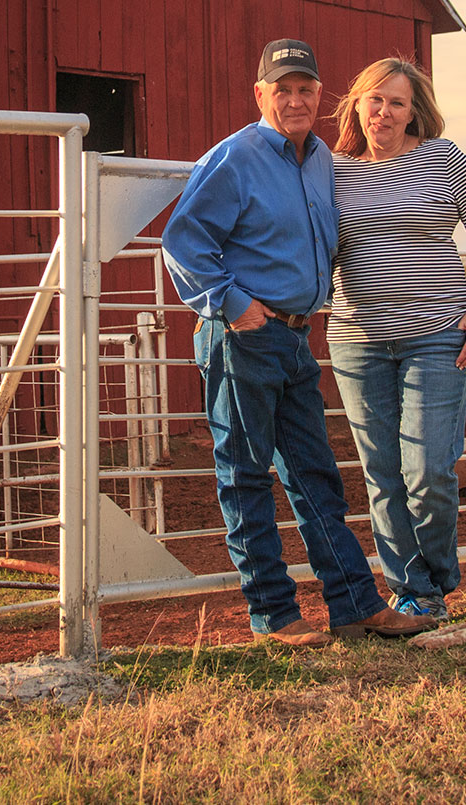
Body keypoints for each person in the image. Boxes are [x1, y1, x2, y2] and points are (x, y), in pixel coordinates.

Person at [162, 39, 435, 648]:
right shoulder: (233, 158)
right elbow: (184, 243)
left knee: (315, 473)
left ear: (320, 95)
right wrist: (233, 305)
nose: (294, 99)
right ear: (260, 95)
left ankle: (355, 605)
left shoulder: (319, 160)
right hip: (243, 337)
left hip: (295, 338)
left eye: (305, 88)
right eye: (281, 89)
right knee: (246, 476)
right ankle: (275, 615)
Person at [326, 58, 466, 621]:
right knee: (382, 474)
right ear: (356, 104)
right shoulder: (326, 169)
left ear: (414, 112)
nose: (384, 111)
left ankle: (438, 578)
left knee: (428, 468)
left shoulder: (442, 158)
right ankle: (415, 592)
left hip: (437, 335)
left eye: (397, 102)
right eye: (374, 99)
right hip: (356, 339)